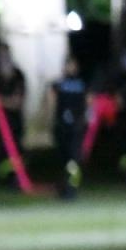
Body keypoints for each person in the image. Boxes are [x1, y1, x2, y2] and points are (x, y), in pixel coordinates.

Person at [46, 56, 88, 198]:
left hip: (76, 127)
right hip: (62, 126)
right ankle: (63, 186)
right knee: (63, 158)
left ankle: (72, 187)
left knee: (73, 159)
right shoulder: (59, 83)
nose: (69, 68)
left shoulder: (81, 84)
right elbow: (51, 100)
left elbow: (87, 102)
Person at [0, 46, 27, 183]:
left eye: (4, 56)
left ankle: (17, 178)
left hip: (14, 121)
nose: (2, 59)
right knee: (2, 150)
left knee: (16, 150)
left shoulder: (18, 75)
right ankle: (5, 178)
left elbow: (17, 102)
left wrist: (0, 102)